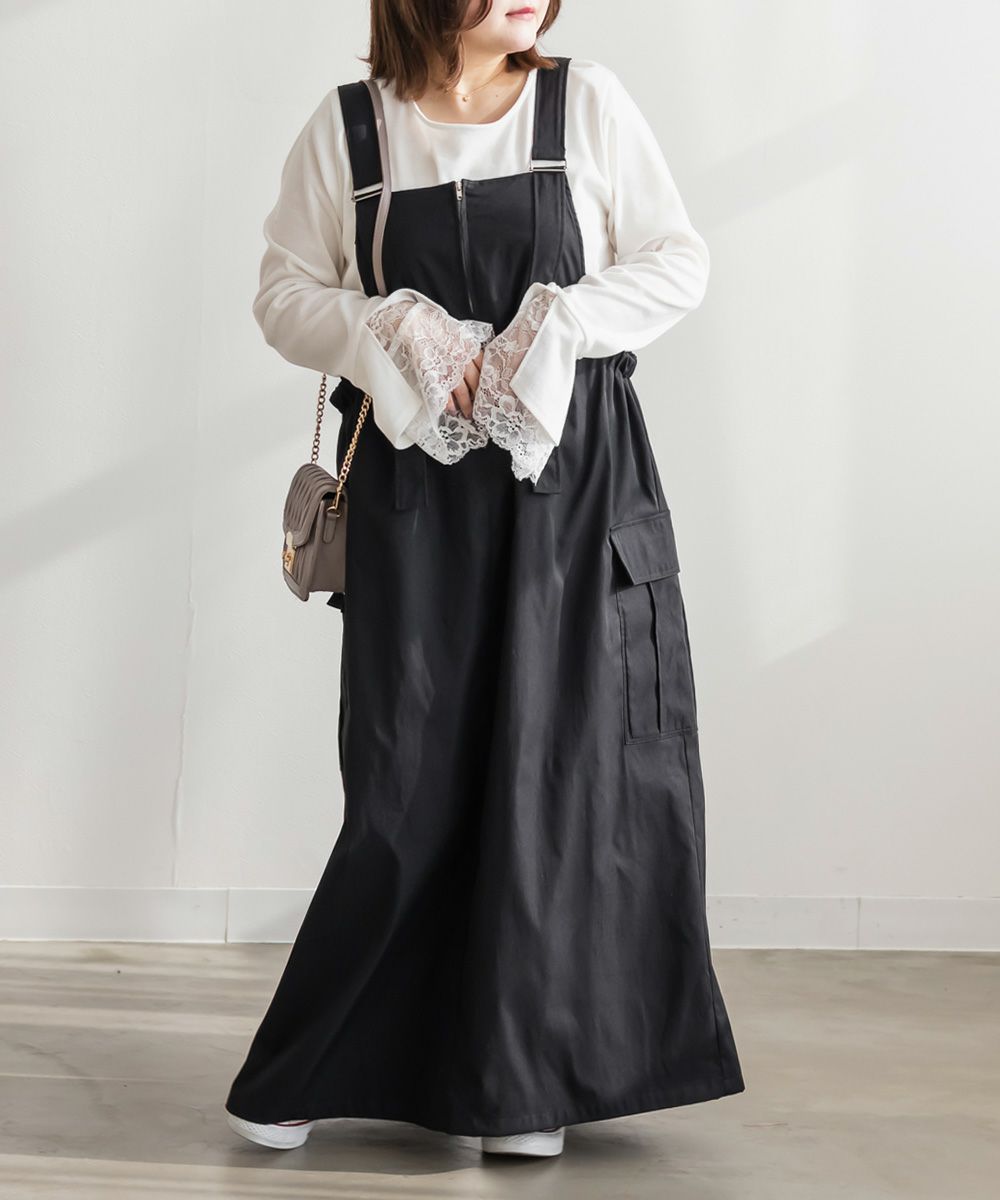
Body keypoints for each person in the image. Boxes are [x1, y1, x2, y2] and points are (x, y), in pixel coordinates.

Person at [224, 0, 745, 1160]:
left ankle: (525, 1080)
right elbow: (283, 297)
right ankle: (318, 1064)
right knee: (402, 776)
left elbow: (676, 262)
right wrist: (392, 327)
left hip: (578, 489)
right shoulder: (350, 129)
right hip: (412, 501)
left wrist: (557, 321)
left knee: (563, 771)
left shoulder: (584, 102)